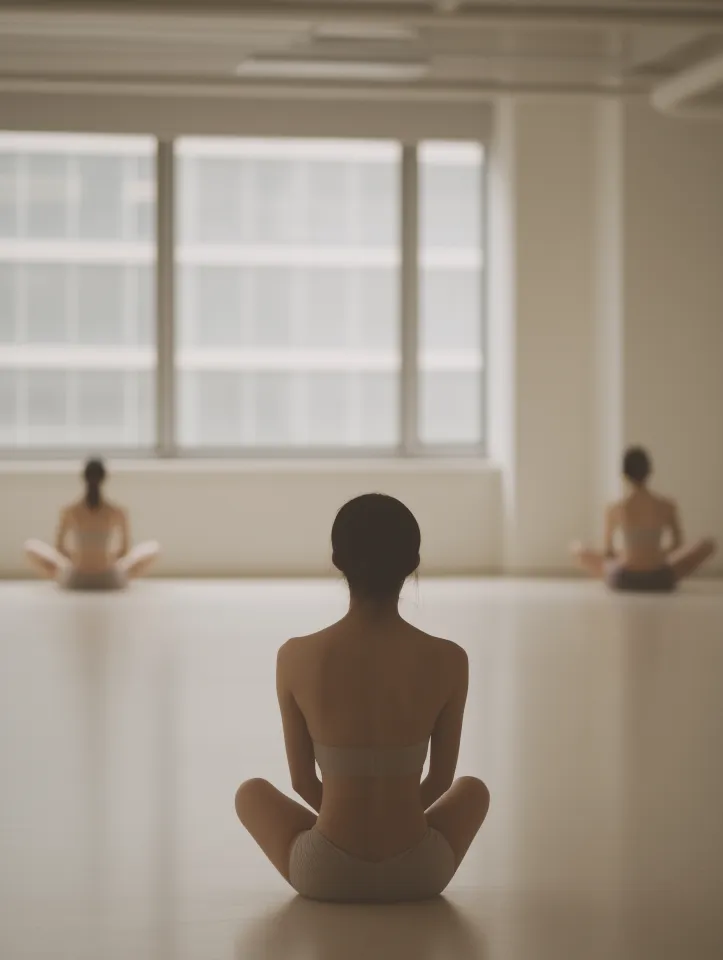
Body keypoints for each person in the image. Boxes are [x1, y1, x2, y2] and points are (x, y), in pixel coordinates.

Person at [235, 493, 489, 903]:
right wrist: (394, 821)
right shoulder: (449, 659)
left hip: (325, 872)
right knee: (473, 789)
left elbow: (303, 782)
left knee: (250, 793)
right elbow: (440, 781)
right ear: (413, 562)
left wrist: (351, 824)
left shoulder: (296, 656)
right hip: (422, 872)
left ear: (338, 560)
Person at [571, 446, 716, 592]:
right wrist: (655, 555)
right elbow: (677, 545)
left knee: (577, 549)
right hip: (661, 578)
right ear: (649, 471)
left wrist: (627, 554)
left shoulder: (615, 508)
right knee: (708, 544)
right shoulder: (666, 505)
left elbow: (609, 552)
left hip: (624, 578)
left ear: (624, 474)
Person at [24, 458, 159, 590]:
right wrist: (107, 560)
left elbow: (60, 548)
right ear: (104, 478)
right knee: (154, 548)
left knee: (30, 547)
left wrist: (76, 560)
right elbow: (124, 551)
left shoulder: (70, 510)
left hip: (75, 579)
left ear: (84, 478)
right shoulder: (117, 512)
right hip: (109, 579)